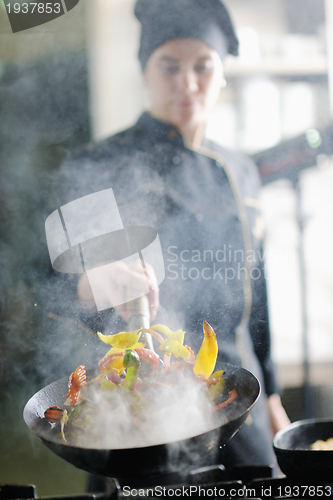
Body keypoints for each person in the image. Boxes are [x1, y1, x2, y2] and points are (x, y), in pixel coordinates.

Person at [54, 0, 290, 471]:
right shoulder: (99, 164)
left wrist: (273, 395)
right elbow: (58, 282)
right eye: (169, 66)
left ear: (222, 73)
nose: (187, 83)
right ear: (145, 71)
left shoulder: (242, 171)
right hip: (142, 403)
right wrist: (95, 280)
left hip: (238, 400)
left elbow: (256, 296)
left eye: (203, 66)